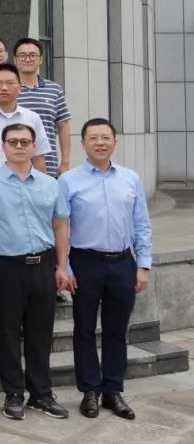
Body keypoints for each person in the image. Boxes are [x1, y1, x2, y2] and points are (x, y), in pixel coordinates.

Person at [0, 123, 71, 421]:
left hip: (43, 265)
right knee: (6, 333)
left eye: (25, 142)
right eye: (13, 141)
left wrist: (62, 266)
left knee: (40, 333)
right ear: (3, 147)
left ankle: (41, 393)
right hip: (6, 267)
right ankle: (13, 393)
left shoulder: (50, 183)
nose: (19, 146)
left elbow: (60, 225)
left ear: (34, 146)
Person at [60, 118, 152, 420]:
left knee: (116, 330)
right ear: (83, 143)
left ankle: (113, 390)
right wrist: (65, 267)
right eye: (93, 138)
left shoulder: (130, 179)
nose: (100, 143)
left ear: (115, 142)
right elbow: (61, 227)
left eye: (105, 137)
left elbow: (141, 224)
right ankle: (90, 390)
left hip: (123, 263)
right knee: (84, 329)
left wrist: (143, 265)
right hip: (85, 263)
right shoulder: (69, 181)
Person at [0, 64, 50, 178]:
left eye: (10, 83)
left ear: (20, 87)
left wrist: (42, 186)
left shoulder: (32, 117)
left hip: (25, 182)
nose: (4, 88)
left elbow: (38, 157)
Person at [14, 38, 72, 177]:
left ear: (41, 59)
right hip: (12, 164)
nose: (28, 59)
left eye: (33, 55)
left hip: (48, 165)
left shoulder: (54, 89)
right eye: (22, 55)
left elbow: (63, 126)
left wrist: (65, 162)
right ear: (15, 60)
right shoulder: (6, 90)